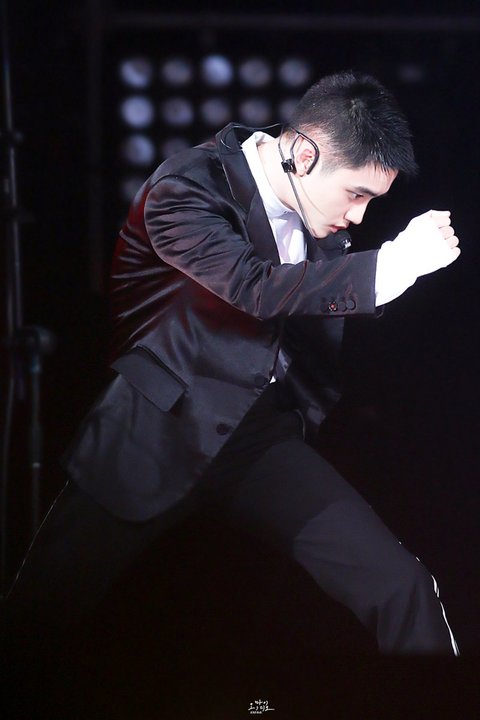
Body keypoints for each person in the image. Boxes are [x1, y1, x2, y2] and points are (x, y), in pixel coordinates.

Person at [2, 70, 460, 656]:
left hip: (258, 438)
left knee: (401, 586)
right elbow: (254, 288)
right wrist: (393, 265)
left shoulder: (316, 205)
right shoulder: (185, 188)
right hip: (156, 428)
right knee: (38, 616)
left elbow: (311, 300)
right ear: (303, 154)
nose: (358, 217)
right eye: (357, 194)